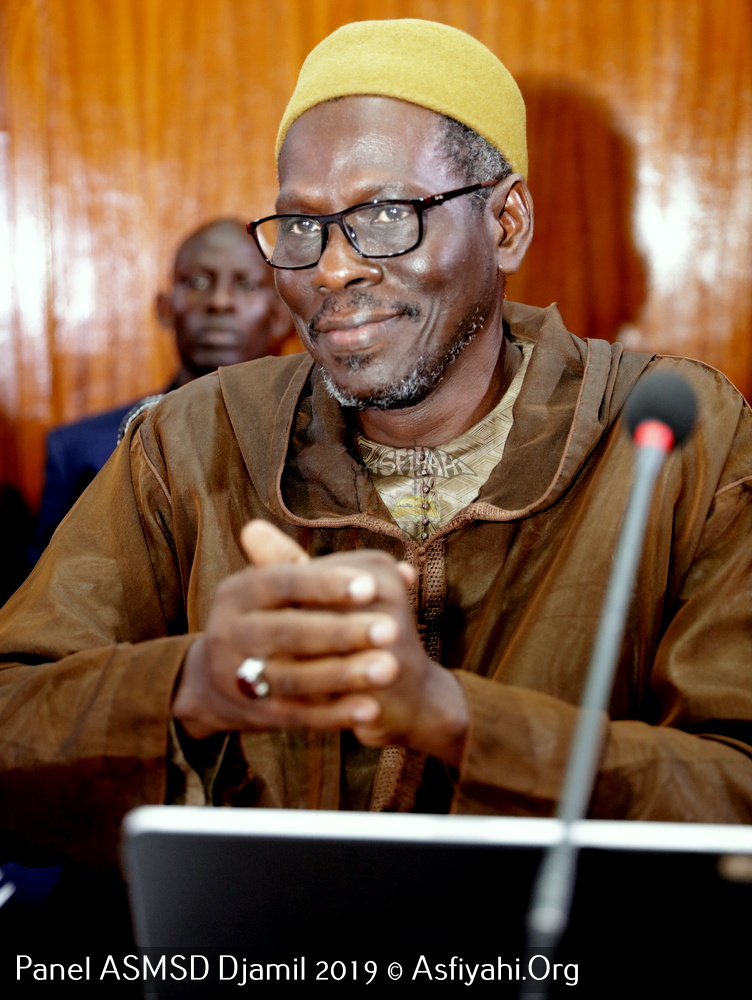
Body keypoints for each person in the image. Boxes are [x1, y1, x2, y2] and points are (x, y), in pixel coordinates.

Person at [1, 18, 752, 884]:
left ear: (505, 223)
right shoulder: (191, 440)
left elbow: (735, 787)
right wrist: (189, 687)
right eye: (300, 225)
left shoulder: (673, 439)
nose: (329, 269)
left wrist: (453, 717)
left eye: (387, 214)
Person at [29, 217, 291, 562]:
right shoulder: (80, 451)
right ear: (165, 309)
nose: (220, 302)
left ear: (279, 318)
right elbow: (46, 601)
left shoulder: (312, 441)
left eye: (245, 284)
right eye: (198, 281)